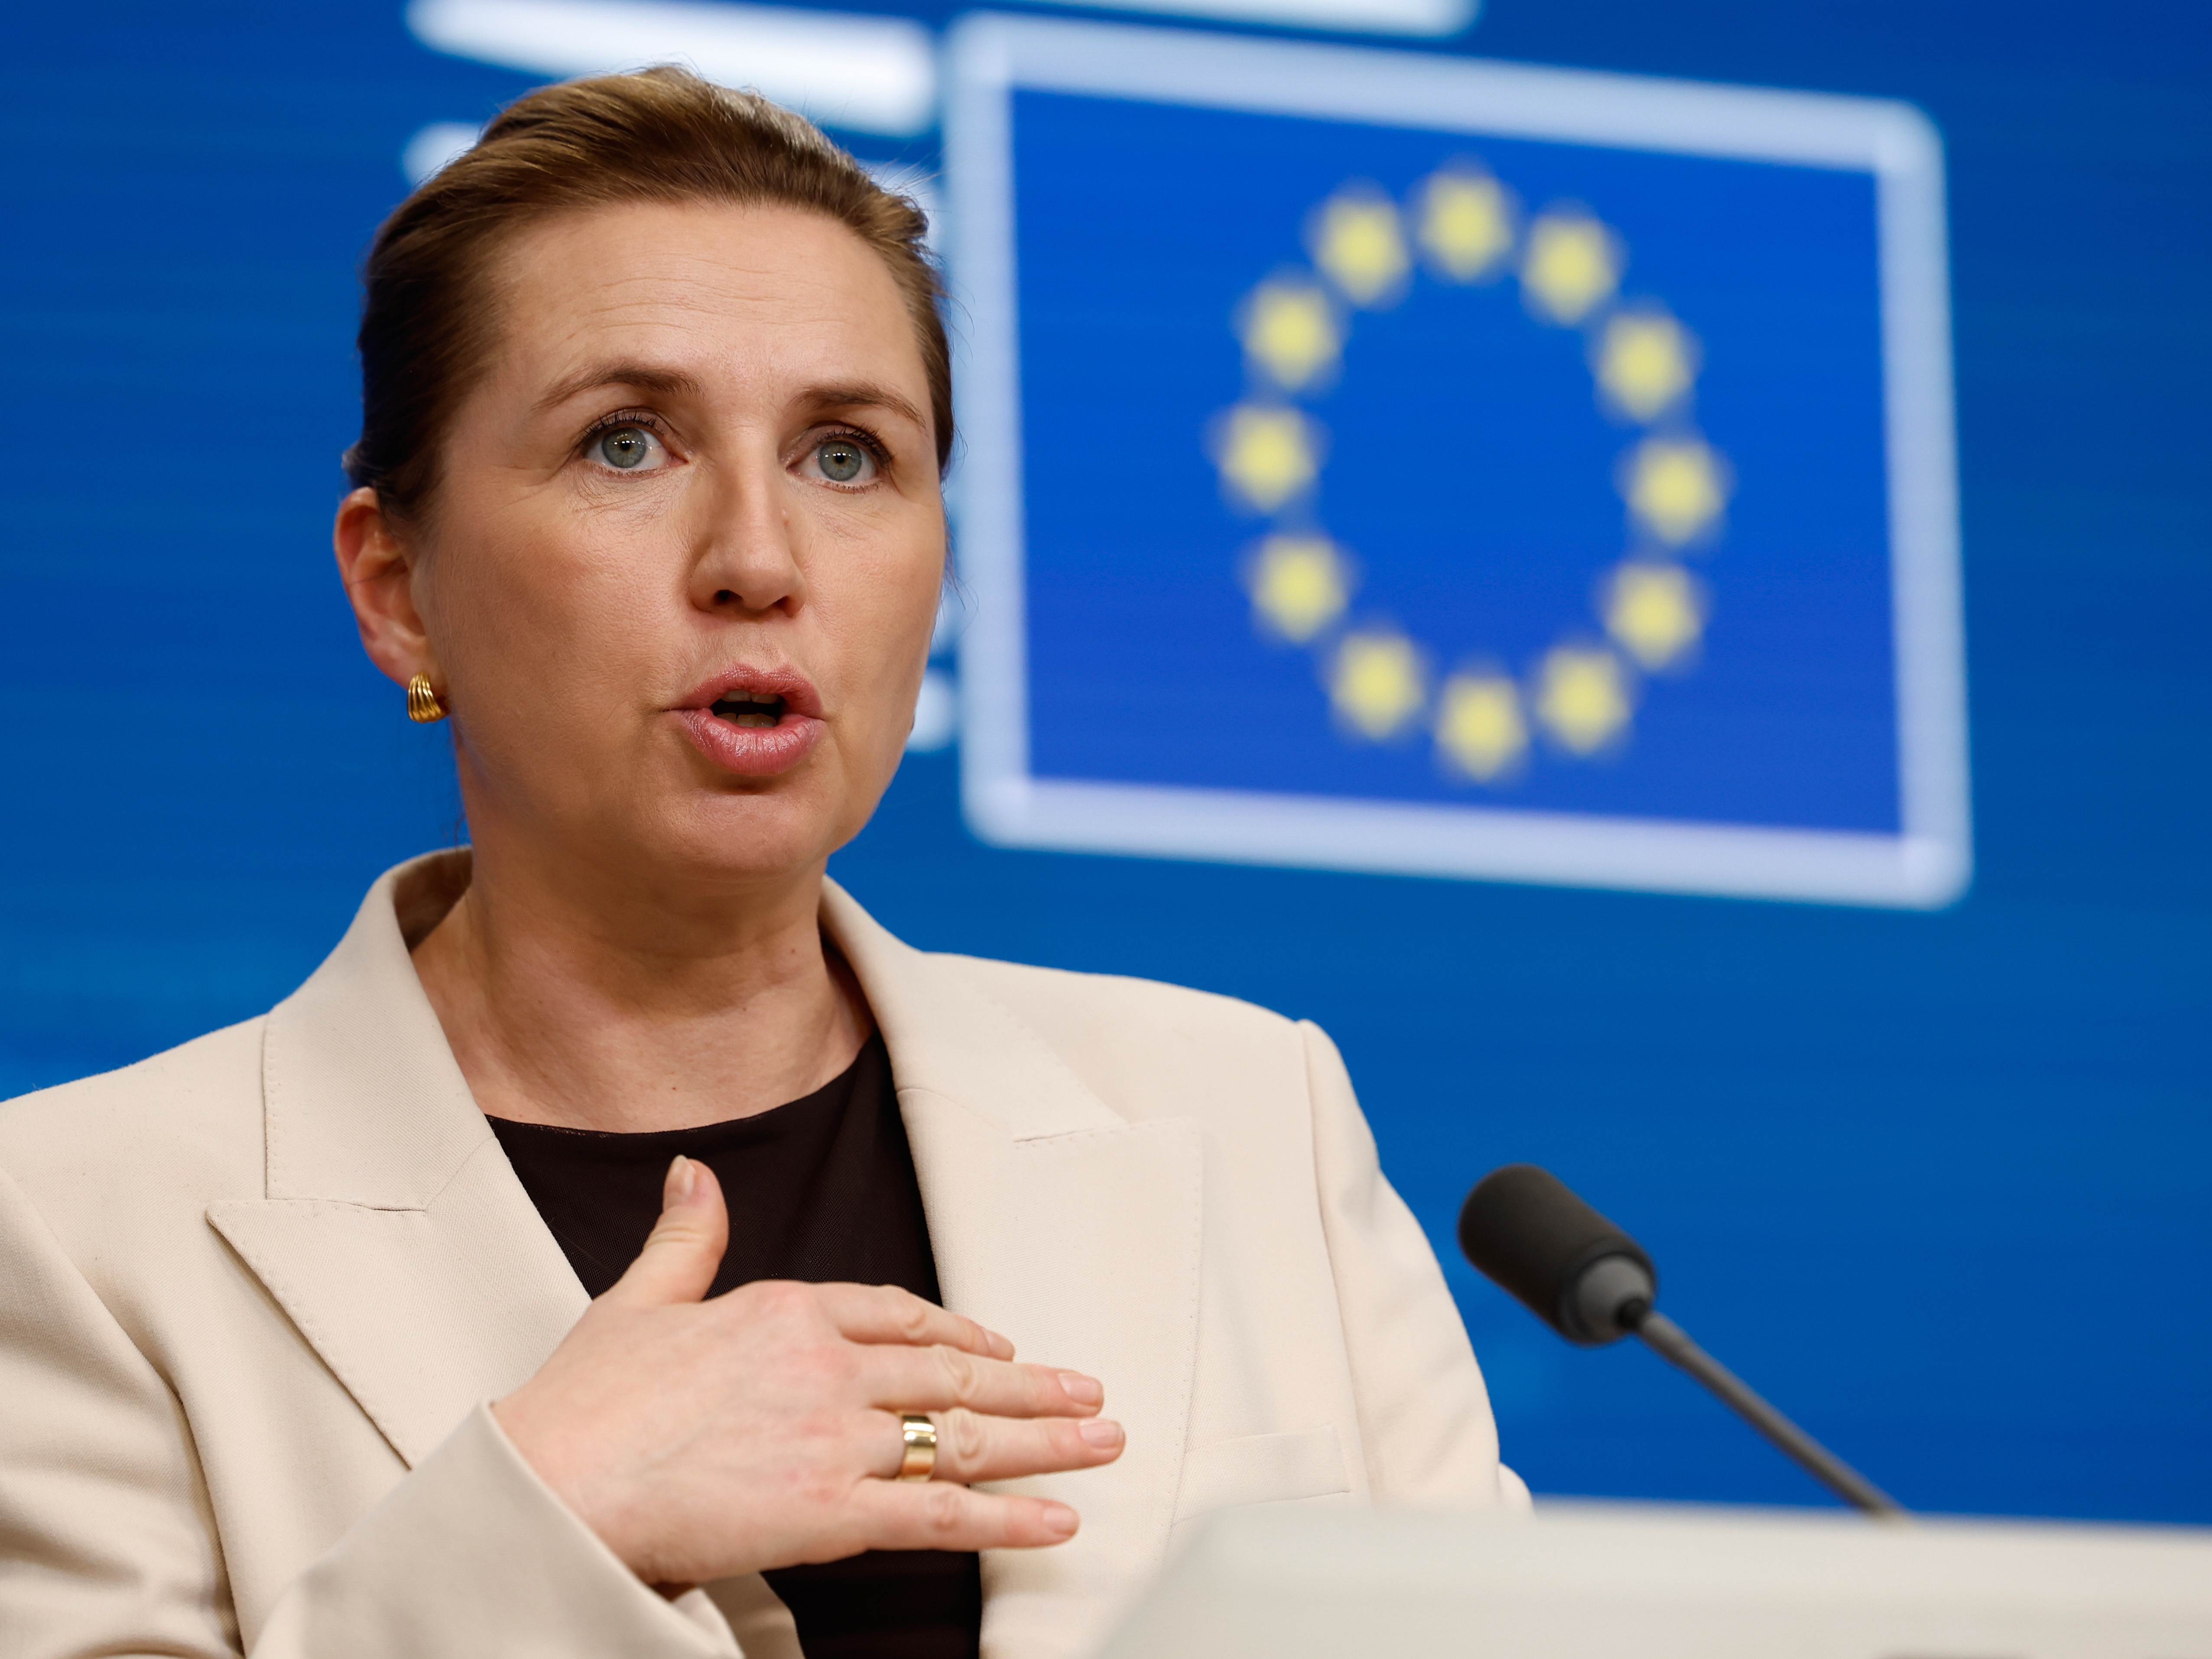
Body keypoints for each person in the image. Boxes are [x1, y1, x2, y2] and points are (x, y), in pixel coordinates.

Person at [0, 68, 1524, 1659]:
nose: (757, 560)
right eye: (627, 442)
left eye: (848, 455)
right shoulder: (74, 1231)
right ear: (398, 590)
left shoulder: (1247, 1115)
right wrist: (551, 1514)